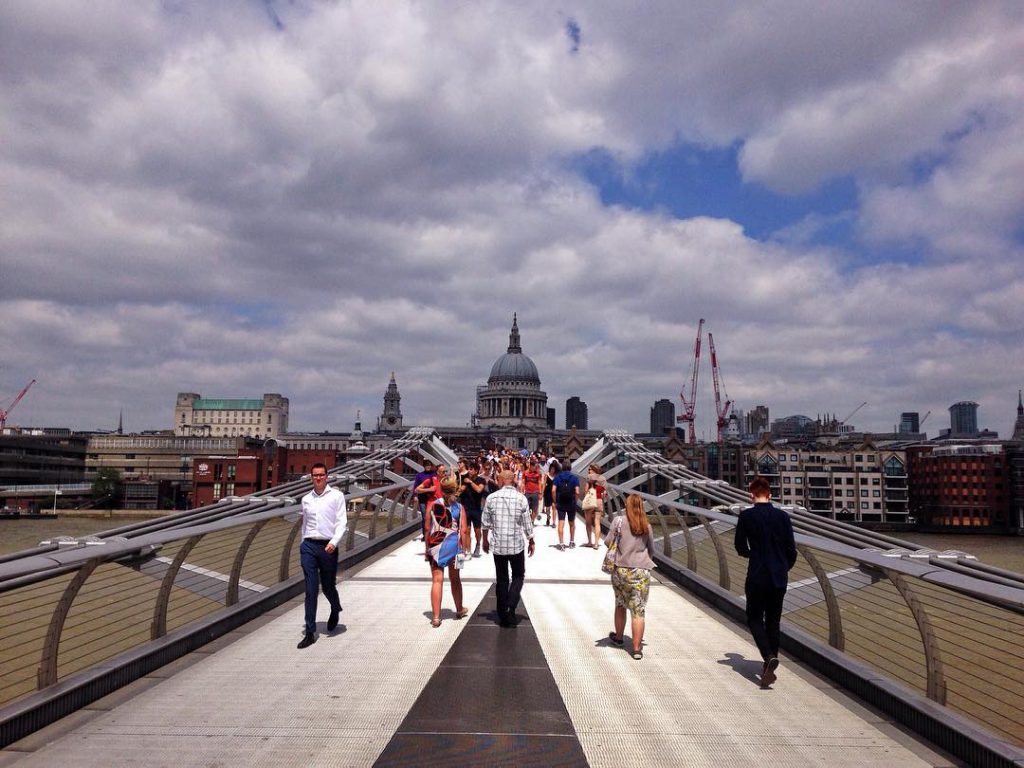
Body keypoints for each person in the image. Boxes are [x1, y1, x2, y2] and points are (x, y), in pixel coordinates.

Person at [734, 476, 797, 689]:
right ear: (770, 494)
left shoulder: (746, 516)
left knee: (753, 618)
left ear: (751, 495)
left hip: (757, 574)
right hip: (779, 576)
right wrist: (782, 567)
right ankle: (767, 665)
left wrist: (752, 555)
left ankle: (768, 656)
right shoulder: (783, 517)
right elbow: (791, 551)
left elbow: (740, 547)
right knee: (773, 621)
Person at [297, 463, 347, 649]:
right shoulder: (305, 499)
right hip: (309, 546)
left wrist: (334, 542)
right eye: (315, 475)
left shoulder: (337, 496)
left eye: (321, 475)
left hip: (328, 546)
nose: (318, 478)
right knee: (310, 590)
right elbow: (305, 523)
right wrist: (303, 542)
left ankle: (335, 608)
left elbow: (342, 522)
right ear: (311, 477)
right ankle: (310, 632)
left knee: (327, 587)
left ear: (327, 476)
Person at [481, 469, 535, 627]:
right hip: (516, 544)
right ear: (512, 480)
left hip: (498, 545)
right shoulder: (521, 498)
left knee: (502, 578)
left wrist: (485, 540)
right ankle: (511, 606)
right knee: (518, 575)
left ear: (501, 480)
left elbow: (485, 522)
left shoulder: (491, 498)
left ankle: (501, 610)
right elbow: (527, 522)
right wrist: (531, 540)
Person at [606, 494, 655, 660]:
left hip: (620, 569)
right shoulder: (646, 525)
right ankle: (636, 649)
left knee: (620, 604)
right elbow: (651, 549)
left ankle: (619, 638)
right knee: (638, 610)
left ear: (626, 505)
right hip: (640, 571)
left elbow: (608, 542)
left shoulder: (618, 521)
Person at [425, 475, 469, 627]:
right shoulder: (459, 507)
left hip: (436, 544)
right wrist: (465, 549)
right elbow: (463, 530)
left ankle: (436, 617)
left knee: (437, 580)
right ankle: (459, 609)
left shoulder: (432, 505)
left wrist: (427, 549)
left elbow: (426, 528)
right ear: (455, 489)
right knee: (455, 579)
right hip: (454, 546)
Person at [459, 459, 486, 557]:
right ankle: (468, 551)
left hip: (476, 508)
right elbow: (460, 490)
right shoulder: (464, 480)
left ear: (476, 471)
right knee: (467, 530)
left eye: (471, 469)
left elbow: (479, 490)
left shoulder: (481, 480)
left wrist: (470, 482)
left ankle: (478, 545)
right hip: (466, 508)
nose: (469, 471)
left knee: (477, 530)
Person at [552, 461, 580, 550]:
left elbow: (553, 490)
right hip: (571, 502)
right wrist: (575, 500)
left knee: (561, 522)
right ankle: (571, 542)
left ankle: (561, 543)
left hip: (560, 502)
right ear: (570, 468)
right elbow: (577, 492)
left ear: (562, 468)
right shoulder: (574, 478)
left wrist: (555, 500)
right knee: (571, 523)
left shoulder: (557, 477)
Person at [581, 463, 607, 548]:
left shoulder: (589, 477)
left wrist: (585, 499)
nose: (588, 471)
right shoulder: (603, 479)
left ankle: (589, 542)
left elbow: (586, 490)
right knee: (597, 523)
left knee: (588, 523)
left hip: (590, 500)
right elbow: (604, 493)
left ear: (594, 470)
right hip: (599, 501)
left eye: (590, 469)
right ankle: (596, 543)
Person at [412, 460, 437, 539]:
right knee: (424, 517)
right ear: (424, 466)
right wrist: (415, 495)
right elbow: (416, 486)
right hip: (422, 498)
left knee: (433, 516)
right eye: (426, 465)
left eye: (429, 465)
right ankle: (425, 535)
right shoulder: (419, 475)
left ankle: (432, 533)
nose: (428, 467)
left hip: (432, 498)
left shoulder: (434, 474)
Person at [522, 458, 542, 523]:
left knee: (535, 508)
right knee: (526, 507)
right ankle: (529, 519)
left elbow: (539, 482)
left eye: (535, 467)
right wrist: (522, 490)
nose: (534, 468)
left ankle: (532, 521)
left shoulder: (538, 473)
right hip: (527, 492)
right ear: (530, 466)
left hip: (535, 492)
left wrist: (540, 493)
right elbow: (523, 482)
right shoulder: (525, 473)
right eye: (533, 466)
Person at [540, 460, 558, 527]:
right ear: (550, 468)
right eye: (552, 468)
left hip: (554, 493)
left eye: (554, 469)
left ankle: (553, 522)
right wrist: (542, 492)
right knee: (547, 508)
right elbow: (544, 484)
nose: (553, 470)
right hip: (547, 492)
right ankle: (548, 517)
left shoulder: (556, 476)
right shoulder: (546, 475)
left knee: (554, 507)